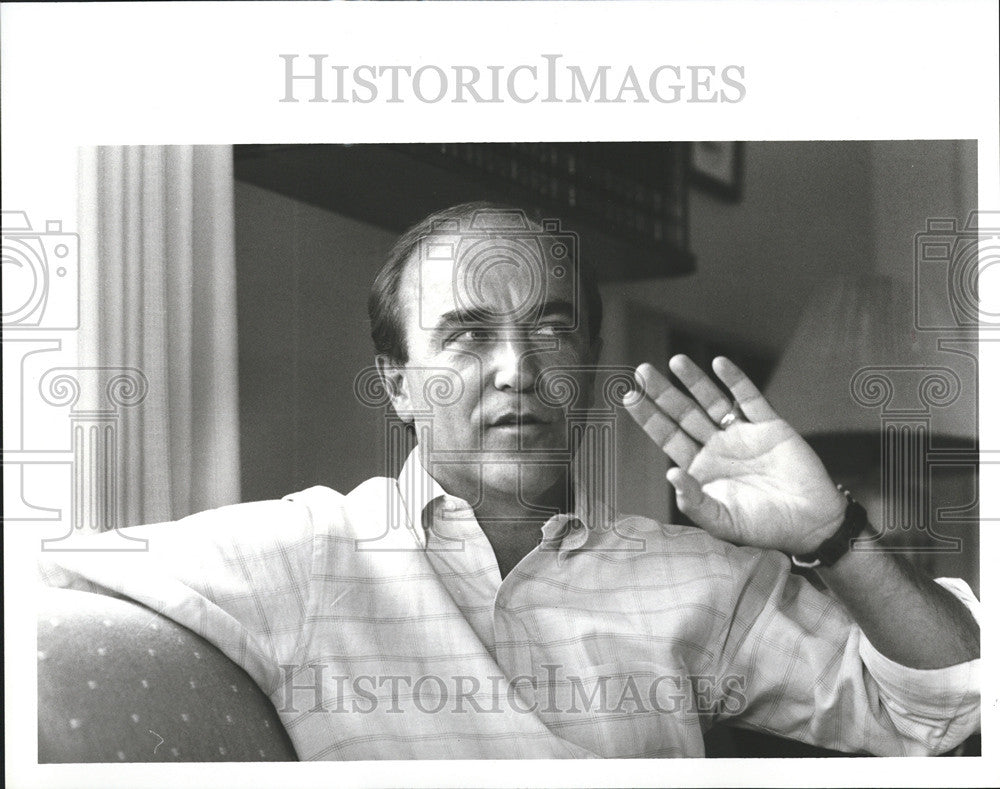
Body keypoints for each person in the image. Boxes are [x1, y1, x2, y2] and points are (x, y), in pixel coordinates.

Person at [39, 202, 980, 759]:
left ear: (589, 367)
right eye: (466, 334)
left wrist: (834, 535)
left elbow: (939, 713)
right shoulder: (302, 553)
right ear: (397, 386)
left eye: (554, 329)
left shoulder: (703, 579)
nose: (518, 368)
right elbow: (52, 593)